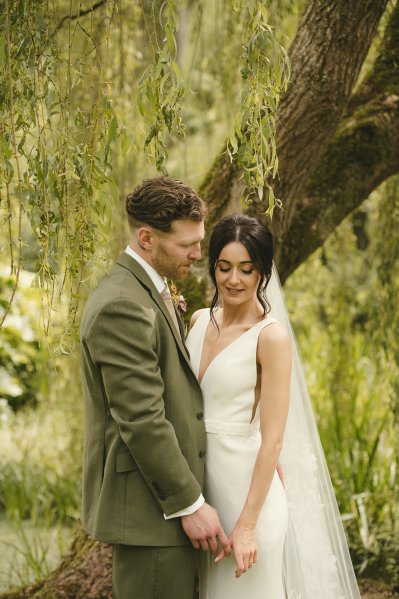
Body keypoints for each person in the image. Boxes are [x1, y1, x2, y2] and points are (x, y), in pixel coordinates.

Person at [186, 214, 361, 598]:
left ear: (262, 273)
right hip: (200, 498)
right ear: (212, 265)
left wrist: (247, 525)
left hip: (246, 498)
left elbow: (273, 442)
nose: (233, 279)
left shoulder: (270, 337)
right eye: (224, 267)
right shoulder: (198, 321)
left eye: (246, 270)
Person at [80, 176, 230, 599]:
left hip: (164, 511)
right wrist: (190, 504)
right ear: (146, 238)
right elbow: (142, 417)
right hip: (154, 513)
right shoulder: (122, 304)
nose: (198, 255)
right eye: (187, 245)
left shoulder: (149, 289)